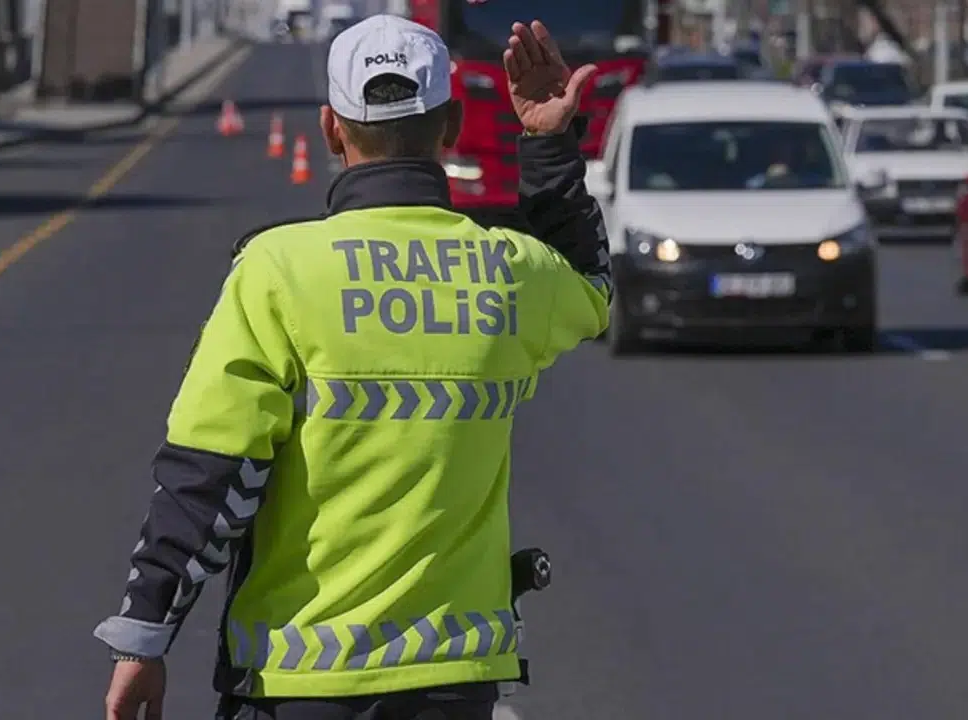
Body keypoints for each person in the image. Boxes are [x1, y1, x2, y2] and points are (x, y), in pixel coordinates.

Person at [93, 12, 609, 720]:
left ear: (332, 129)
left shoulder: (277, 271)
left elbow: (209, 473)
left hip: (294, 681)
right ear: (452, 126)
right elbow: (593, 286)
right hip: (452, 683)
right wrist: (547, 144)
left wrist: (144, 637)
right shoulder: (508, 271)